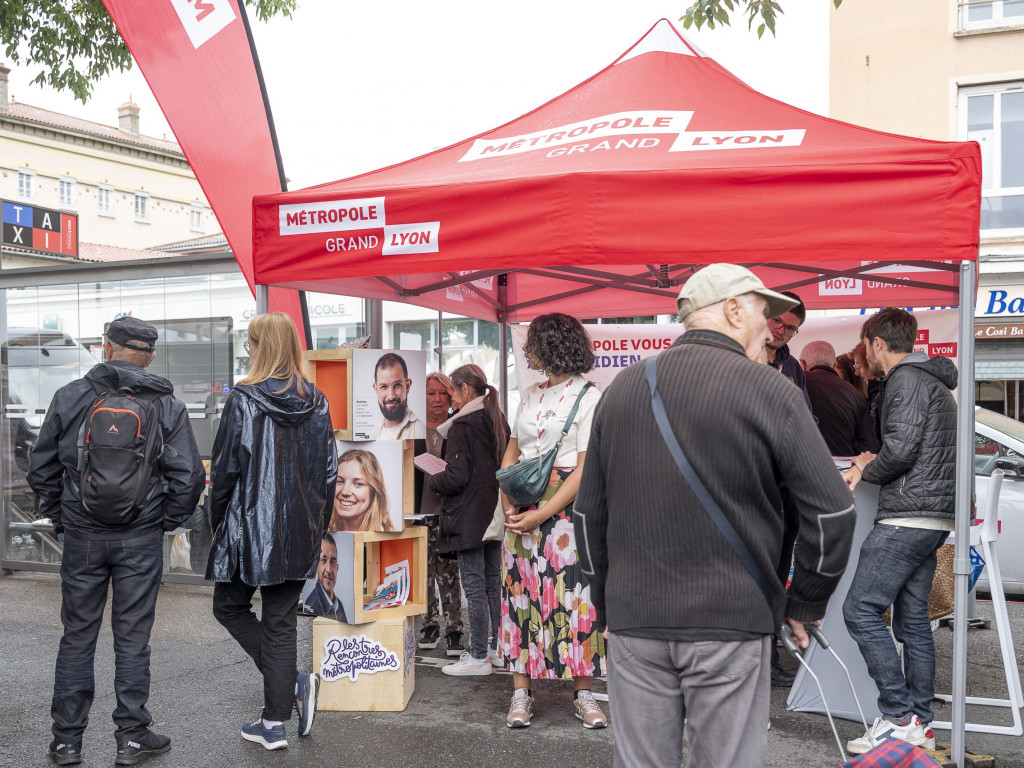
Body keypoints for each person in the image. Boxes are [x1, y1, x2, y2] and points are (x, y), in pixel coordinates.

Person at [576, 264, 856, 768]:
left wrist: (606, 603)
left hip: (635, 619)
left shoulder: (619, 390)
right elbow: (833, 513)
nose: (770, 325)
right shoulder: (773, 392)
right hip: (731, 621)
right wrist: (804, 602)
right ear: (731, 309)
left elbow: (587, 515)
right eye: (762, 311)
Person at [28, 315, 205, 767]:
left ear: (107, 347)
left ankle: (67, 741)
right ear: (149, 355)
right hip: (139, 537)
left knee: (77, 636)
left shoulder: (70, 397)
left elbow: (42, 469)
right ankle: (131, 736)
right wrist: (161, 521)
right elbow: (189, 477)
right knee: (132, 637)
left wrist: (62, 517)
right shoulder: (166, 404)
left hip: (82, 536)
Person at [206, 312, 337, 751]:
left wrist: (216, 522)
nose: (248, 348)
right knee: (281, 621)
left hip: (250, 529)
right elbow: (329, 474)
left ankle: (291, 692)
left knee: (228, 606)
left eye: (251, 341)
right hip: (300, 529)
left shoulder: (243, 399)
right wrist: (318, 527)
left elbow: (225, 471)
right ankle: (276, 720)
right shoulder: (317, 400)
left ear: (263, 346)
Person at [842, 308, 957, 755]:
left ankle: (897, 716)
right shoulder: (929, 379)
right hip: (929, 516)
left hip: (907, 517)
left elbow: (902, 451)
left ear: (874, 341)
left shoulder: (905, 381)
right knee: (912, 624)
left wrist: (866, 467)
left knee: (860, 610)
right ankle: (920, 724)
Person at [499, 312, 607, 730]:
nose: (527, 351)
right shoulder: (527, 395)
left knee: (574, 600)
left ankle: (583, 693)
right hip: (522, 504)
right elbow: (511, 451)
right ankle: (521, 692)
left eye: (532, 344)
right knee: (520, 597)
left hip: (565, 514)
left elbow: (584, 469)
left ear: (551, 345)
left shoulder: (589, 396)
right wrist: (507, 498)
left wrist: (542, 513)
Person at [429, 364, 509, 676]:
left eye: (452, 391)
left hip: (469, 515)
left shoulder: (462, 425)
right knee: (492, 583)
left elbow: (457, 476)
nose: (449, 398)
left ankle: (477, 657)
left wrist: (435, 478)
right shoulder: (496, 419)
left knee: (474, 587)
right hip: (495, 512)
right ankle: (497, 648)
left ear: (465, 390)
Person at [414, 372, 465, 657]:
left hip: (448, 511)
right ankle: (429, 623)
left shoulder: (457, 428)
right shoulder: (413, 430)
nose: (436, 399)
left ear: (450, 395)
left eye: (442, 393)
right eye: (431, 393)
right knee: (423, 571)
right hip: (419, 511)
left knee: (449, 572)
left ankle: (454, 629)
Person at [801, 340, 880, 456]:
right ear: (833, 365)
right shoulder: (855, 394)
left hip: (803, 465)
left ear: (802, 364)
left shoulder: (796, 385)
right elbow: (869, 446)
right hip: (844, 468)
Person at [765, 290, 813, 412]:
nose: (781, 331)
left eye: (790, 328)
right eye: (777, 321)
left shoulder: (793, 367)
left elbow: (805, 413)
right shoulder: (742, 357)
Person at [329, 449, 393, 532]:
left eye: (358, 484)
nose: (345, 491)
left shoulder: (390, 538)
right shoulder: (321, 535)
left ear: (374, 491)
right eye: (339, 481)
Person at [370, 352, 426, 440]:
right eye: (384, 387)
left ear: (407, 386)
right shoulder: (372, 434)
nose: (391, 396)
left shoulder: (421, 432)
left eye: (397, 385)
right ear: (376, 389)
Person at [304, 535, 347, 623]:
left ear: (337, 569)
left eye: (333, 562)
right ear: (315, 566)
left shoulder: (339, 604)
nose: (328, 570)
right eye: (323, 560)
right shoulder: (311, 605)